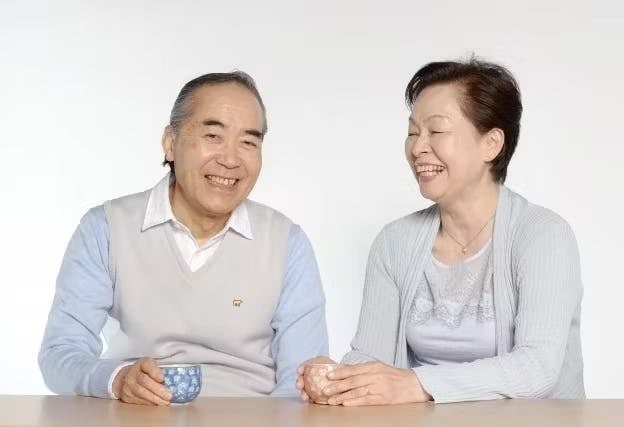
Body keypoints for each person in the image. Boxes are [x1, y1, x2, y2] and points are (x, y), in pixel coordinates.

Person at [297, 59, 584, 405]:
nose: (417, 148)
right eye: (412, 132)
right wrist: (336, 377)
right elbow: (373, 358)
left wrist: (417, 384)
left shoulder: (543, 236)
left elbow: (537, 369)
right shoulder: (395, 242)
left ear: (491, 144)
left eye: (436, 131)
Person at [39, 71, 328, 405]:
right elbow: (60, 354)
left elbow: (301, 381)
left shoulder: (286, 243)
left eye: (249, 142)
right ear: (170, 142)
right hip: (137, 416)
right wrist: (117, 380)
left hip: (252, 416)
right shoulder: (106, 228)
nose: (230, 159)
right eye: (213, 136)